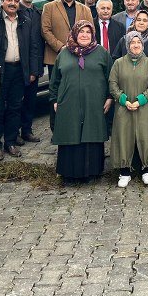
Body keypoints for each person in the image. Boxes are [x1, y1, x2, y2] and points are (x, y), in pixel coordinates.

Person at [49, 20, 113, 184]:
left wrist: (109, 97)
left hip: (94, 102)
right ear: (75, 34)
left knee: (92, 134)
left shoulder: (101, 53)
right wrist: (54, 99)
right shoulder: (64, 53)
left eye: (88, 32)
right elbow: (55, 79)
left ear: (93, 34)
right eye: (81, 32)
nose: (84, 35)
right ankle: (69, 174)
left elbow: (111, 78)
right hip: (68, 103)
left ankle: (92, 173)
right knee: (70, 134)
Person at [0, 0, 39, 161]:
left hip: (19, 70)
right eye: (9, 0)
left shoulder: (25, 20)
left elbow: (33, 46)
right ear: (2, 1)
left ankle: (10, 142)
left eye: (15, 0)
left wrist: (32, 71)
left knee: (15, 107)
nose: (12, 3)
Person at [109, 31, 148, 188]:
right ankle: (124, 172)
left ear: (142, 45)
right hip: (123, 108)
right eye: (132, 42)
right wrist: (123, 100)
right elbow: (112, 84)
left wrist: (140, 100)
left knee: (145, 137)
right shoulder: (119, 63)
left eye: (138, 42)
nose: (136, 45)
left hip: (143, 108)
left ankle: (146, 170)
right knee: (124, 137)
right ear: (127, 45)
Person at [41, 0, 94, 77]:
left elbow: (91, 31)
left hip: (80, 58)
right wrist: (61, 47)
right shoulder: (49, 7)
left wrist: (79, 49)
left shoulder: (85, 10)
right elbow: (45, 31)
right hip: (56, 57)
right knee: (57, 86)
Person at [18, 0, 44, 144]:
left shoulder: (38, 13)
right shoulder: (15, 11)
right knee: (15, 102)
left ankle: (27, 131)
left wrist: (36, 68)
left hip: (35, 64)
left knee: (30, 101)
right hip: (17, 65)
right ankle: (13, 133)